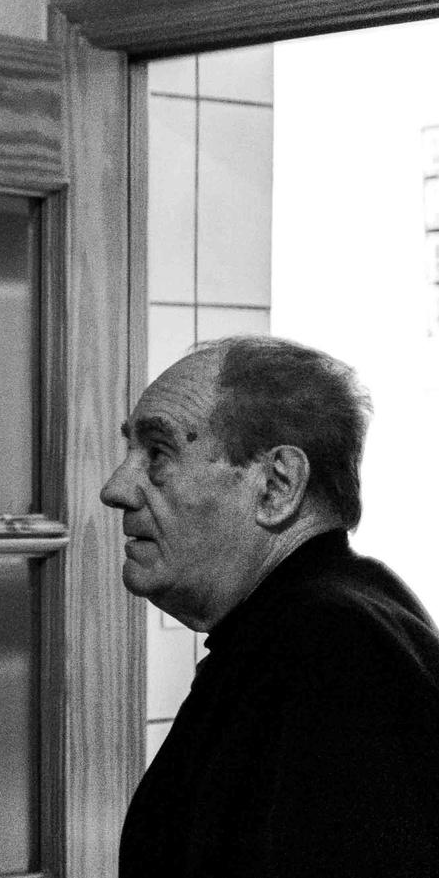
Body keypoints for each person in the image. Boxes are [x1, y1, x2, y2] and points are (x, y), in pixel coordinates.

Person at [101, 335, 439, 877]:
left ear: (277, 485)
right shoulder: (310, 623)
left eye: (158, 452)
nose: (116, 487)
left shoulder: (333, 646)